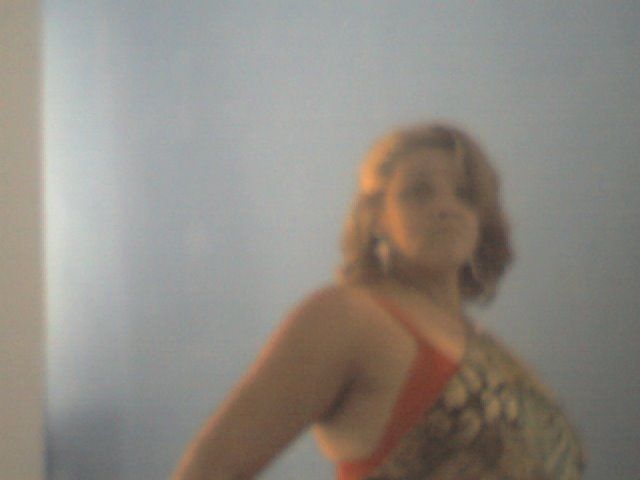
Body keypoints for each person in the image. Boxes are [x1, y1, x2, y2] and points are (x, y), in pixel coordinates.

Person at [171, 123, 586, 479]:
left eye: (464, 194)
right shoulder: (346, 319)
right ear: (376, 218)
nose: (446, 207)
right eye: (419, 192)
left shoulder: (489, 349)